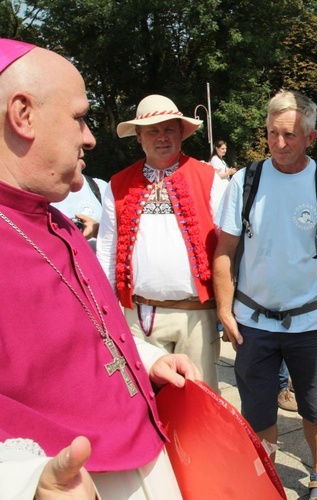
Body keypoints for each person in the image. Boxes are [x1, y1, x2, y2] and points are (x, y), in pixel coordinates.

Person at [0, 38, 200, 498]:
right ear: (23, 114)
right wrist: (25, 483)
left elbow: (92, 327)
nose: (90, 136)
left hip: (138, 452)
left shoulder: (57, 222)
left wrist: (148, 360)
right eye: (79, 117)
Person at [212, 89, 317, 499]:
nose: (280, 143)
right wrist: (224, 310)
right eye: (273, 133)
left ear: (310, 138)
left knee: (315, 407)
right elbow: (224, 251)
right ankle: (266, 479)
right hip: (253, 322)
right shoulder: (245, 181)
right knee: (258, 410)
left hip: (311, 321)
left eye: (290, 135)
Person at [97, 94, 224, 391]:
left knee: (200, 397)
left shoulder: (208, 177)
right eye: (153, 130)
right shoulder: (118, 183)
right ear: (139, 136)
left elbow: (227, 244)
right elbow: (107, 247)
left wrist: (229, 309)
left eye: (169, 128)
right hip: (138, 315)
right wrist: (106, 309)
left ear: (181, 132)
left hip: (197, 315)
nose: (162, 137)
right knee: (143, 398)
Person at [50, 173, 108, 251]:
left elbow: (123, 236)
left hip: (95, 261)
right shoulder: (40, 190)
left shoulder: (99, 186)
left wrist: (96, 230)